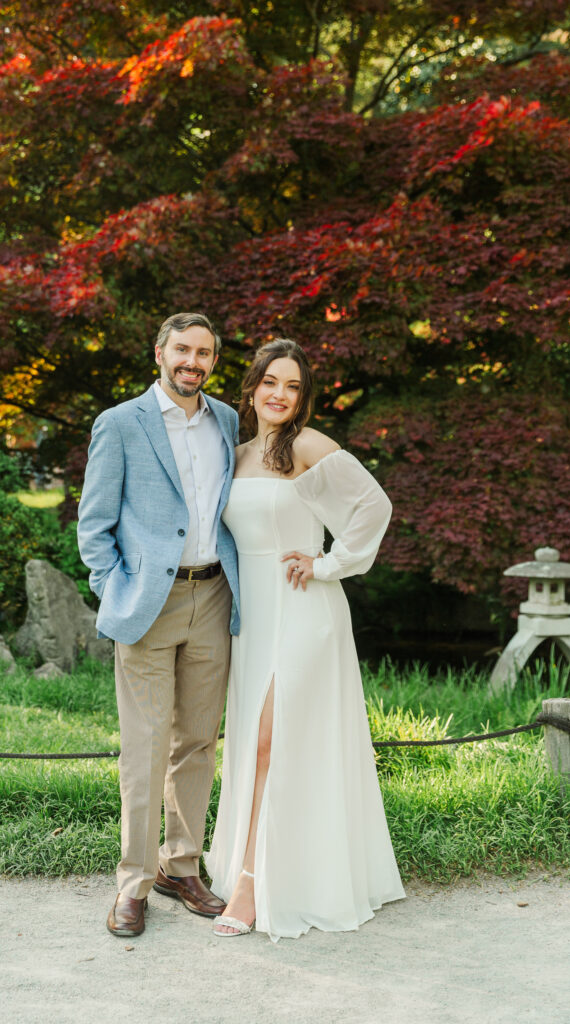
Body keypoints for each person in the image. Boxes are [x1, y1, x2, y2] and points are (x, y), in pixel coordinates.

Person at [206, 338, 405, 941]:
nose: (280, 395)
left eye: (293, 386)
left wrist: (326, 563)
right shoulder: (235, 455)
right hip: (254, 618)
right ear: (252, 387)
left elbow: (375, 506)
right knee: (253, 743)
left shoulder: (309, 447)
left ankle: (251, 881)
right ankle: (279, 867)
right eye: (271, 382)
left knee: (272, 740)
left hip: (304, 608)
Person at [77, 312, 240, 938]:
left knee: (197, 741)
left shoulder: (226, 420)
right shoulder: (120, 424)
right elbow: (93, 526)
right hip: (148, 604)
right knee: (144, 749)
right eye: (181, 350)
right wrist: (112, 588)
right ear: (159, 353)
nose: (191, 361)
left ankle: (181, 867)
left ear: (213, 360)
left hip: (215, 597)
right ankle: (133, 883)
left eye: (202, 352)